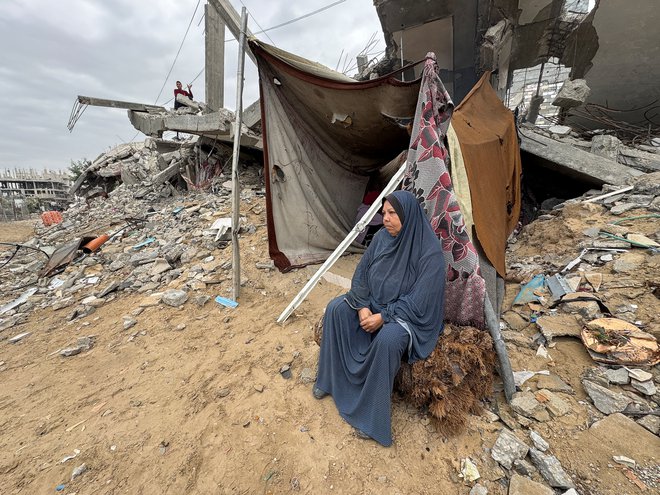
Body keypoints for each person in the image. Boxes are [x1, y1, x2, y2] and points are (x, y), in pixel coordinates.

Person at [314, 190, 446, 446]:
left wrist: (383, 317)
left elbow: (420, 301)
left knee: (387, 339)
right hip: (373, 304)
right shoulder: (382, 239)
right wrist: (363, 306)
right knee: (335, 309)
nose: (385, 219)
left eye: (392, 213)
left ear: (407, 215)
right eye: (383, 213)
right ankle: (329, 381)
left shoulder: (429, 253)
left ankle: (371, 418)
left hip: (405, 316)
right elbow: (362, 273)